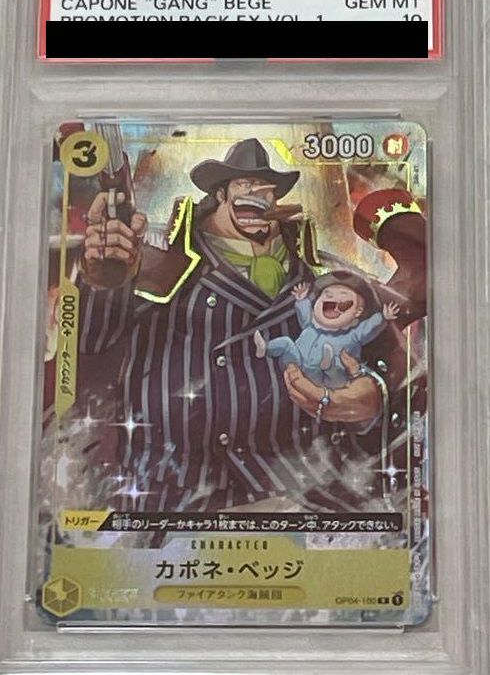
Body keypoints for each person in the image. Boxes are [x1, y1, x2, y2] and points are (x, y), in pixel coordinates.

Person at [78, 138, 427, 515]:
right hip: (172, 495)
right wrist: (103, 275)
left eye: (267, 189)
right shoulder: (158, 262)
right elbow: (93, 339)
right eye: (244, 185)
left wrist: (373, 395)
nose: (257, 195)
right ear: (220, 195)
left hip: (301, 497)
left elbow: (393, 365)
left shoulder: (325, 276)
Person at [254, 272, 400, 388]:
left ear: (357, 312)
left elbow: (367, 329)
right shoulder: (310, 325)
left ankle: (328, 365)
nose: (333, 299)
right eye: (328, 296)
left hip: (326, 378)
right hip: (297, 363)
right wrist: (302, 300)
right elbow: (304, 314)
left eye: (344, 300)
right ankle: (265, 348)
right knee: (286, 343)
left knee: (337, 365)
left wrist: (382, 317)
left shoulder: (352, 335)